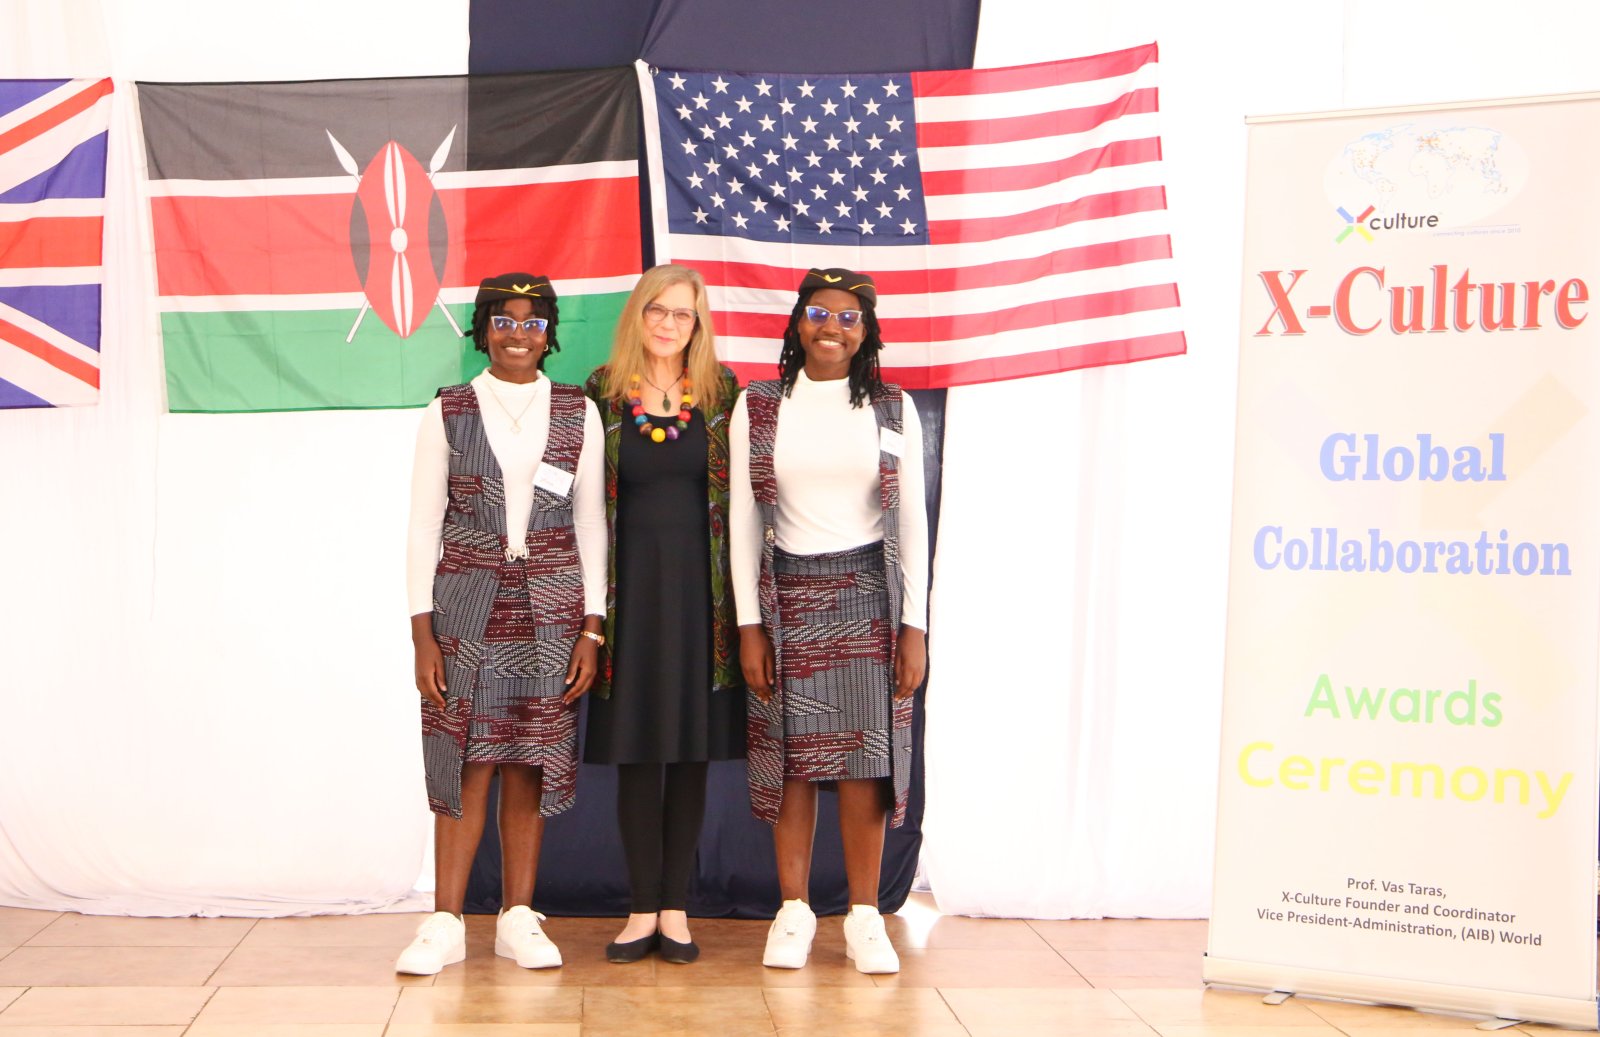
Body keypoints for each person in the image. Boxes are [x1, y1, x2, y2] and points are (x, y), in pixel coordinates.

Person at [396, 273, 607, 975]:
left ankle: (518, 916)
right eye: (505, 321)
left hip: (552, 608)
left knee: (529, 761)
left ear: (550, 335)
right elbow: (423, 526)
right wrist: (422, 632)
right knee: (464, 758)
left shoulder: (578, 411)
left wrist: (593, 625)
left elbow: (590, 523)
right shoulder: (448, 410)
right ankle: (446, 921)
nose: (519, 334)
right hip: (465, 607)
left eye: (533, 322)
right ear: (483, 330)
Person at [729, 267, 929, 975]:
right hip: (785, 596)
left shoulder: (892, 407)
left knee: (866, 763)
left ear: (866, 330)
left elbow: (911, 521)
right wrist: (748, 624)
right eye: (819, 313)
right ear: (797, 322)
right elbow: (742, 521)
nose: (832, 327)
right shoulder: (759, 405)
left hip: (868, 596)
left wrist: (915, 625)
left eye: (848, 317)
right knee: (791, 759)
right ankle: (793, 910)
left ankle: (865, 915)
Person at [583, 264, 744, 965]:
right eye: (658, 310)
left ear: (698, 323)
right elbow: (584, 505)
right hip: (629, 600)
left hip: (704, 600)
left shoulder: (722, 393)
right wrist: (590, 612)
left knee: (690, 752)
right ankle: (641, 907)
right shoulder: (601, 392)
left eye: (683, 313)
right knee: (638, 751)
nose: (669, 324)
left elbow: (746, 501)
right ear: (637, 314)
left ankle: (674, 907)